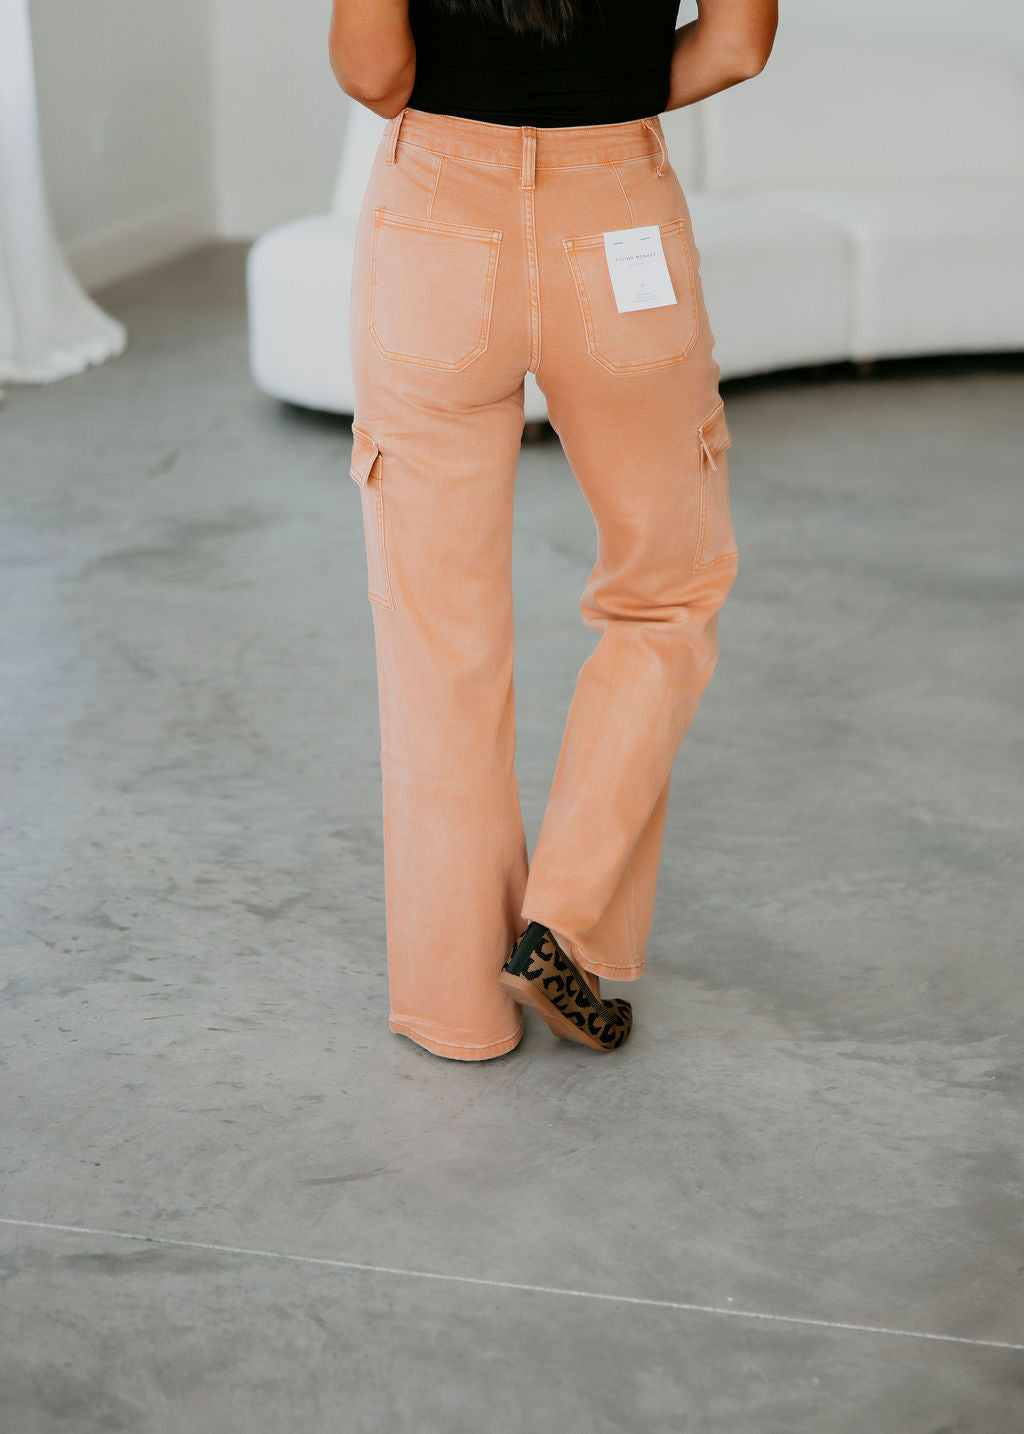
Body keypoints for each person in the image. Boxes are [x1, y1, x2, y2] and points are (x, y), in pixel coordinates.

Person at [329, 0, 777, 1061]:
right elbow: (736, 44)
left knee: (438, 638)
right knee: (667, 592)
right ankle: (562, 925)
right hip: (616, 213)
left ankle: (457, 1013)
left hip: (436, 220)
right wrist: (598, 107)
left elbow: (374, 73)